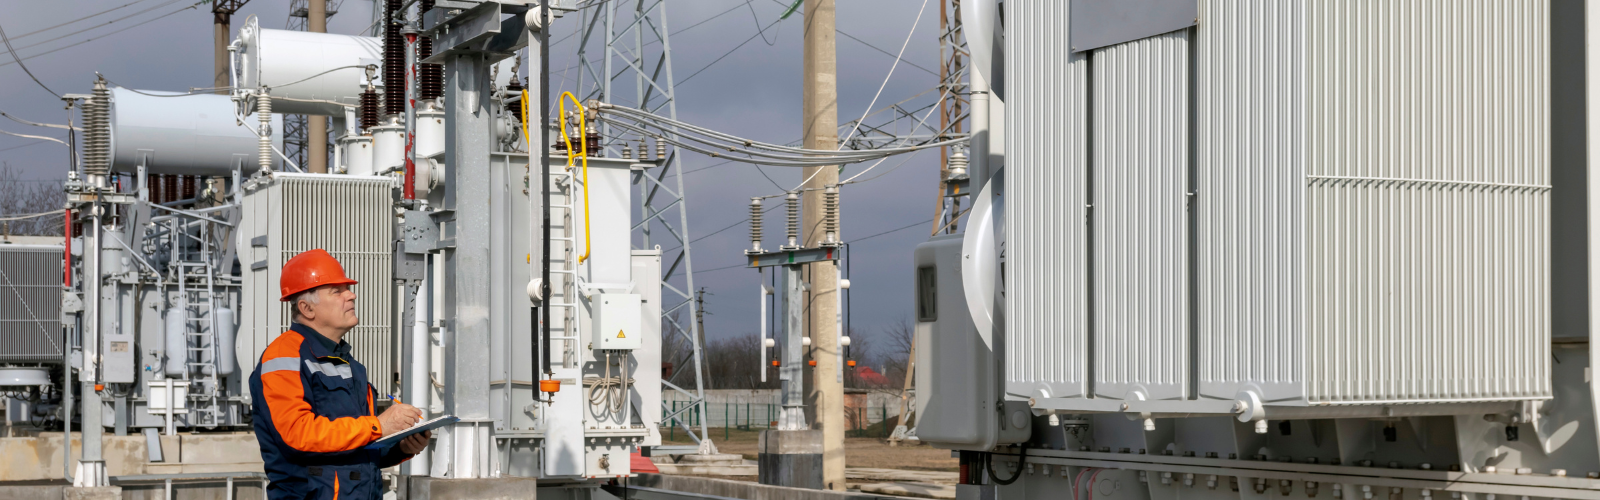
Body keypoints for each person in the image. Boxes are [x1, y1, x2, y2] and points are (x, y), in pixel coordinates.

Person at [249, 249, 430, 499]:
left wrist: (400, 447)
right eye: (337, 290)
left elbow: (357, 446)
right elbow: (297, 434)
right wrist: (379, 425)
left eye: (348, 288)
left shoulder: (350, 364)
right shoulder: (284, 356)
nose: (351, 295)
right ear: (306, 308)